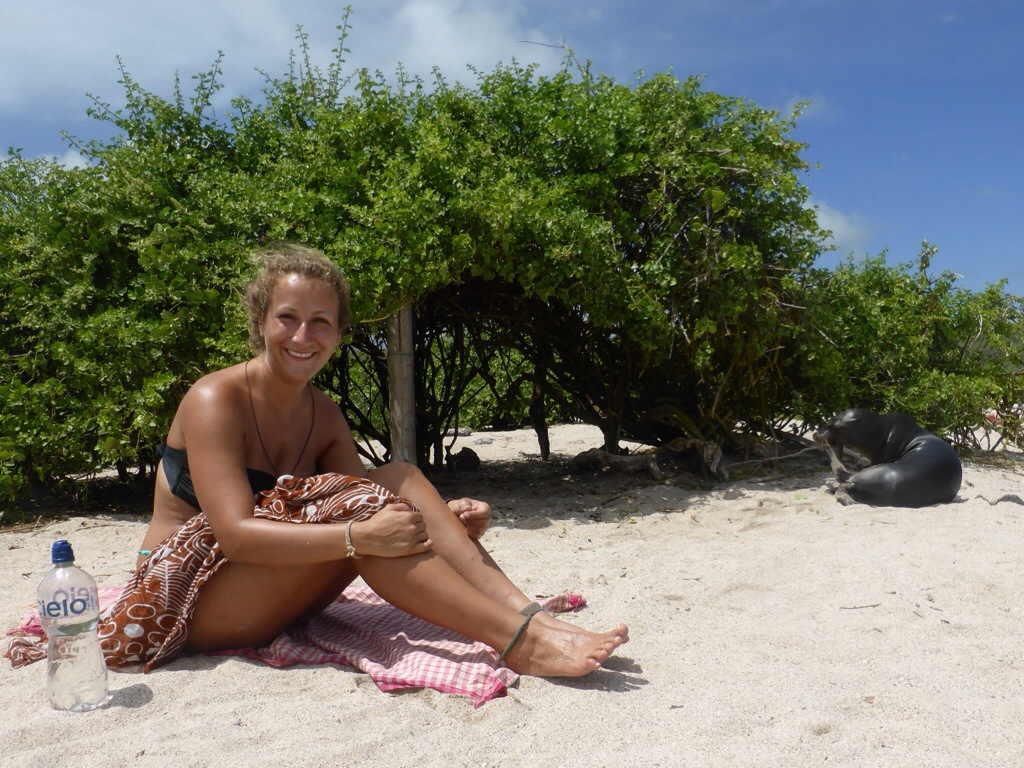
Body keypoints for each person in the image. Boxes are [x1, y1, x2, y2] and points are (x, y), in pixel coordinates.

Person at [127, 242, 628, 678]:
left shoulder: (323, 415)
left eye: (320, 322)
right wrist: (362, 536)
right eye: (287, 318)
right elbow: (237, 536)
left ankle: (531, 617)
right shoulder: (215, 399)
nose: (302, 336)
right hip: (181, 599)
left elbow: (371, 500)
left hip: (268, 587)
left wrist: (440, 521)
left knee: (398, 478)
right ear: (260, 323)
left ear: (338, 332)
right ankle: (517, 641)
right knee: (368, 530)